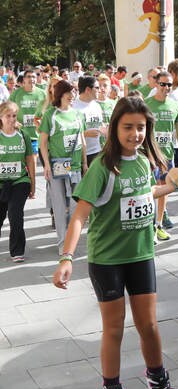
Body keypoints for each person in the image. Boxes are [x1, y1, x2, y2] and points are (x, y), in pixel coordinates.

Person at [51, 97, 178, 389]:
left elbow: (145, 194)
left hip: (141, 254)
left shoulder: (146, 161)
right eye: (128, 127)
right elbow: (80, 215)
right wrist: (67, 257)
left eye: (141, 127)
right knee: (114, 329)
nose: (135, 133)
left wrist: (171, 184)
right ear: (115, 128)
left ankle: (158, 382)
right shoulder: (103, 167)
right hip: (108, 260)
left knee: (149, 325)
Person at [40, 79, 87, 255]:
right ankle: (62, 243)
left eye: (74, 92)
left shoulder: (77, 114)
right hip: (57, 167)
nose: (73, 96)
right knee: (60, 207)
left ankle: (72, 240)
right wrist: (46, 165)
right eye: (70, 92)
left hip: (75, 167)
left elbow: (82, 140)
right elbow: (43, 143)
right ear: (61, 94)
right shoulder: (50, 115)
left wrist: (84, 163)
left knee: (76, 207)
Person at [144, 71, 178, 241]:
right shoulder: (146, 104)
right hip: (150, 155)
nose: (166, 88)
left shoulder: (175, 105)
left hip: (167, 154)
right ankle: (148, 227)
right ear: (156, 84)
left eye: (169, 85)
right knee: (150, 190)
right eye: (163, 84)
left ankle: (158, 225)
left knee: (164, 190)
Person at [0, 101, 35, 262]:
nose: (12, 119)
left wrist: (33, 182)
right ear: (1, 117)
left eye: (14, 115)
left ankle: (17, 250)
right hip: (1, 183)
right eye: (8, 116)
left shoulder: (23, 135)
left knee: (15, 213)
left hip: (20, 181)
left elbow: (29, 160)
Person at [9, 69, 46, 157]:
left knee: (33, 160)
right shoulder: (16, 93)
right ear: (24, 79)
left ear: (36, 79)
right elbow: (7, 110)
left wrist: (43, 121)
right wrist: (14, 122)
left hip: (36, 135)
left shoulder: (42, 94)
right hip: (20, 134)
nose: (31, 79)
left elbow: (48, 112)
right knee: (22, 162)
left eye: (33, 77)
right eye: (28, 76)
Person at [72, 76, 107, 167]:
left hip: (96, 151)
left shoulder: (97, 105)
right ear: (88, 89)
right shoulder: (73, 107)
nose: (100, 90)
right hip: (79, 154)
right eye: (97, 87)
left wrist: (105, 130)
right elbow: (67, 133)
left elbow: (100, 124)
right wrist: (85, 134)